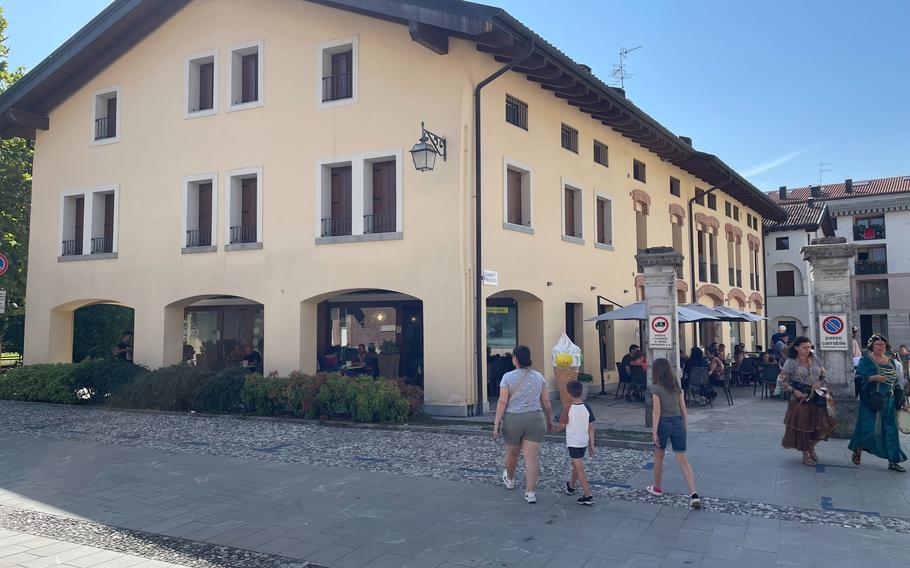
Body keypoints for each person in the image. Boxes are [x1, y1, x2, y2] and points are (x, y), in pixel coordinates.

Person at [493, 345, 554, 504]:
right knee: (531, 457)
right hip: (535, 419)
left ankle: (511, 479)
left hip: (513, 419)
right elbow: (546, 401)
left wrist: (496, 423)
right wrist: (550, 419)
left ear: (515, 358)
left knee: (512, 452)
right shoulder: (539, 377)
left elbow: (502, 401)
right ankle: (531, 492)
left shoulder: (507, 377)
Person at [646, 358, 701, 510]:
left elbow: (656, 411)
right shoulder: (677, 386)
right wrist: (684, 423)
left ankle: (657, 487)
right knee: (682, 458)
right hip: (677, 421)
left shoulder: (656, 388)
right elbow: (683, 407)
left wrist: (654, 431)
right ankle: (693, 493)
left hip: (663, 423)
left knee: (658, 455)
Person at [849, 334, 909, 472]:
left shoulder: (892, 362)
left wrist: (904, 402)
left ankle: (893, 461)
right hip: (871, 400)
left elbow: (897, 384)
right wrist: (872, 378)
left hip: (889, 401)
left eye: (882, 344)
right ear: (872, 346)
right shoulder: (866, 360)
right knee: (868, 428)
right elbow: (858, 379)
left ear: (886, 346)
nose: (880, 347)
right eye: (877, 344)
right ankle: (858, 447)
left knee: (890, 431)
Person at [779, 337, 837, 466]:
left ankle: (811, 447)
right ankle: (805, 454)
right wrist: (793, 390)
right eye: (804, 347)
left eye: (809, 347)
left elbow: (824, 375)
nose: (807, 350)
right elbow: (781, 380)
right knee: (803, 426)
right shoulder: (791, 362)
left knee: (825, 425)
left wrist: (819, 382)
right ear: (796, 348)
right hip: (801, 397)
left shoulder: (814, 358)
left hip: (817, 396)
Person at [555, 380, 595, 506]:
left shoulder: (567, 408)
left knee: (579, 467)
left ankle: (588, 495)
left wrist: (554, 430)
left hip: (573, 442)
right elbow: (591, 427)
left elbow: (562, 425)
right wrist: (592, 444)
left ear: (568, 393)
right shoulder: (587, 407)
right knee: (576, 465)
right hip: (584, 441)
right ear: (581, 392)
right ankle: (571, 486)